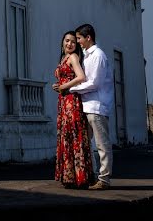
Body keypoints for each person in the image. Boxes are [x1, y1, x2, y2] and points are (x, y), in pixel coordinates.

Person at [70, 23, 114, 190]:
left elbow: (94, 83)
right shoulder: (87, 56)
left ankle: (104, 179)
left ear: (88, 38)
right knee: (87, 144)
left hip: (97, 106)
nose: (78, 41)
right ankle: (94, 175)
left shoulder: (98, 56)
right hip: (88, 106)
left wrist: (71, 88)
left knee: (102, 145)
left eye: (79, 38)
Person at [53, 31, 93, 188]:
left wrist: (64, 86)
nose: (69, 44)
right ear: (62, 42)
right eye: (67, 41)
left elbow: (81, 77)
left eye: (73, 42)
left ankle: (79, 177)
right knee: (66, 136)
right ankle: (69, 176)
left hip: (72, 101)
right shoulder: (64, 58)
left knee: (74, 135)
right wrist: (59, 86)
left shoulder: (73, 57)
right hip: (64, 101)